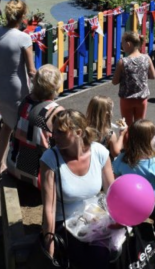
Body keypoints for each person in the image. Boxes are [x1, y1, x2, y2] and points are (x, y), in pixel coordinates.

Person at [40, 109, 114, 269]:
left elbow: (112, 194)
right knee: (94, 259)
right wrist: (49, 242)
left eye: (60, 132)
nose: (54, 136)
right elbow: (49, 208)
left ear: (79, 132)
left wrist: (117, 223)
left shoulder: (99, 152)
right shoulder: (50, 159)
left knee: (114, 252)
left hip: (95, 217)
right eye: (54, 131)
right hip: (65, 223)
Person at [0, 0, 36, 177]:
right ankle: (19, 168)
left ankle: (0, 165)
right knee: (22, 129)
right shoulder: (24, 38)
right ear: (22, 17)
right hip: (17, 90)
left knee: (6, 124)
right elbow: (31, 71)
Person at [8, 64, 64, 185]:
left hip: (15, 164)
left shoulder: (26, 101)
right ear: (56, 87)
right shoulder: (55, 110)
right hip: (39, 175)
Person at [113, 119, 155, 243]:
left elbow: (116, 177)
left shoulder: (122, 157)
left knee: (131, 223)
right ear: (147, 140)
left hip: (126, 201)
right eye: (154, 136)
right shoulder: (154, 161)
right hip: (148, 201)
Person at [112, 31, 155, 126]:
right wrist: (141, 75)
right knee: (139, 125)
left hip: (127, 98)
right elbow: (153, 76)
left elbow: (114, 82)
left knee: (126, 126)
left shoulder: (123, 62)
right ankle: (139, 140)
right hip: (142, 98)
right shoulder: (146, 58)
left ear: (128, 44)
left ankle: (127, 140)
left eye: (122, 43)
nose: (121, 45)